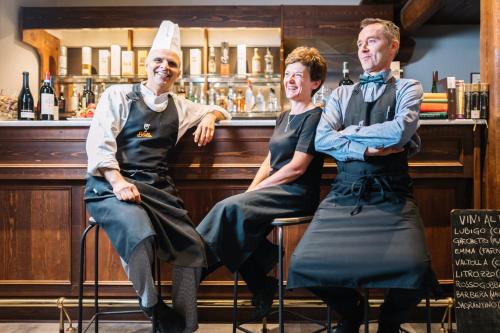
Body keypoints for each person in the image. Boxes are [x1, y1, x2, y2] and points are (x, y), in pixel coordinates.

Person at [287, 18, 439, 333]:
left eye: (371, 40)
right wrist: (366, 149)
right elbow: (322, 140)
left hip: (392, 195)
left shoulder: (408, 87)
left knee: (416, 269)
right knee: (302, 265)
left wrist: (350, 132)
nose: (363, 48)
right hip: (344, 195)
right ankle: (353, 311)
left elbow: (399, 132)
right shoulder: (341, 95)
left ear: (393, 46)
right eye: (360, 43)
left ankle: (389, 321)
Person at [84, 20, 230, 333]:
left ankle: (185, 326)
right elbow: (99, 144)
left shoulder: (181, 105)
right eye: (159, 61)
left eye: (172, 63)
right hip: (111, 186)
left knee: (192, 247)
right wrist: (118, 181)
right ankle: (152, 304)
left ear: (179, 72)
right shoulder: (118, 95)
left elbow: (219, 107)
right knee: (139, 233)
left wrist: (210, 117)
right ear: (147, 64)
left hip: (157, 187)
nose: (165, 67)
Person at [196, 46, 327, 319]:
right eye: (288, 74)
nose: (290, 80)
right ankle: (260, 281)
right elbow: (270, 160)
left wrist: (255, 193)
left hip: (297, 192)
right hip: (276, 190)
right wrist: (251, 191)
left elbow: (296, 168)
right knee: (236, 217)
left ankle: (195, 265)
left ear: (315, 83)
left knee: (228, 209)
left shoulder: (315, 116)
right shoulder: (284, 115)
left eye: (298, 75)